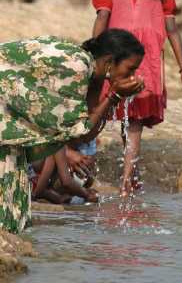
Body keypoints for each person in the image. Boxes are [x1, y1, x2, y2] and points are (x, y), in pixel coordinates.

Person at [0, 29, 145, 233]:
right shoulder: (76, 66)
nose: (132, 76)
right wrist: (113, 97)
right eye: (130, 69)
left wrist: (115, 98)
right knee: (10, 200)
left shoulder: (93, 75)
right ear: (110, 61)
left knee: (15, 206)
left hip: (8, 111)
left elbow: (84, 134)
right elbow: (73, 129)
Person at [92, 0, 182, 196]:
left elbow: (102, 20)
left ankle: (124, 173)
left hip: (116, 58)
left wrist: (95, 52)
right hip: (144, 62)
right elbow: (173, 31)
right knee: (133, 119)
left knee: (107, 108)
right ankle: (129, 177)